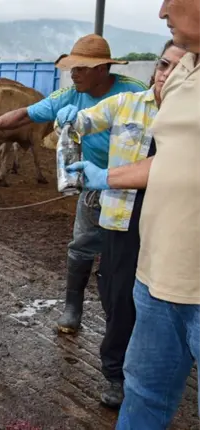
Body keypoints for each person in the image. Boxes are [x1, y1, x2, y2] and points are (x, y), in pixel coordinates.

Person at [66, 0, 200, 426]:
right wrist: (105, 176)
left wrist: (108, 176)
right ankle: (109, 365)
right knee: (141, 391)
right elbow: (177, 159)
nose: (162, 10)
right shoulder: (185, 72)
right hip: (158, 277)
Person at [0, 34, 148, 335]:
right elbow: (26, 114)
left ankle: (129, 318)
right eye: (72, 68)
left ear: (103, 68)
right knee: (81, 245)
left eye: (81, 68)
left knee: (132, 254)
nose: (73, 73)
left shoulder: (135, 94)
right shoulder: (69, 95)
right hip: (93, 184)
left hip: (135, 185)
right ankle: (73, 307)